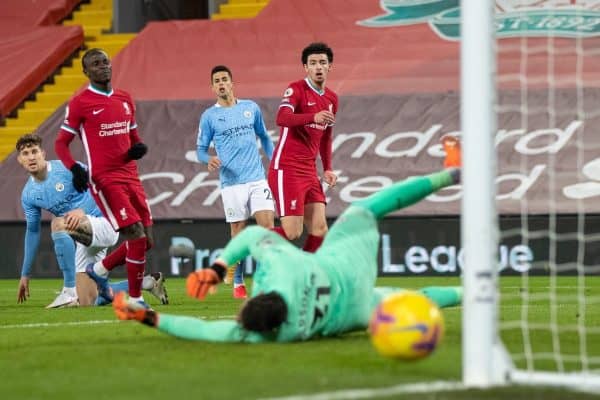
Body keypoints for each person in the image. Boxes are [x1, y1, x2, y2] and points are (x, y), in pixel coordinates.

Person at [112, 139, 463, 342]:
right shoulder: (283, 266)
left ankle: (471, 293)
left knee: (409, 301)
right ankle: (449, 175)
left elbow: (200, 331)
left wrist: (147, 318)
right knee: (365, 210)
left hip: (355, 310)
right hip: (344, 264)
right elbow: (252, 234)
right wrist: (218, 268)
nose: (236, 317)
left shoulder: (275, 334)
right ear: (263, 294)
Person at [15, 134, 168, 307]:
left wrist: (82, 210)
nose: (31, 157)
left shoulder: (66, 169)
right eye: (25, 153)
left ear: (43, 153)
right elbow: (33, 232)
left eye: (34, 151)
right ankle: (147, 283)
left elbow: (101, 182)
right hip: (83, 234)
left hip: (104, 220)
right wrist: (25, 274)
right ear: (20, 160)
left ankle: (68, 290)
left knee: (58, 223)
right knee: (88, 301)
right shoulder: (29, 194)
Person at [55, 48, 154, 307]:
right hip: (105, 179)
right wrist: (75, 169)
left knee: (147, 241)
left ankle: (99, 270)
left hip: (131, 176)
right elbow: (61, 144)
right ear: (86, 71)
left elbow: (133, 137)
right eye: (96, 64)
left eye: (105, 62)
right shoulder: (80, 103)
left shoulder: (124, 98)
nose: (103, 66)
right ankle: (135, 299)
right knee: (135, 234)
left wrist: (138, 147)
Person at [196, 65, 275, 299]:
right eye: (217, 81)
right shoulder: (209, 116)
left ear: (232, 83)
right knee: (238, 234)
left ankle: (262, 281)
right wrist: (208, 159)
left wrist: (275, 160)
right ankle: (238, 282)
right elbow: (200, 150)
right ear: (212, 88)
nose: (221, 83)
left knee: (267, 229)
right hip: (232, 183)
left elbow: (264, 136)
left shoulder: (251, 108)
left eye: (224, 79)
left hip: (257, 178)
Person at [267, 42, 339, 253]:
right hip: (287, 168)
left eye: (322, 63)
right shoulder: (296, 89)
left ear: (330, 67)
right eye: (313, 63)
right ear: (305, 67)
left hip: (309, 171)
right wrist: (312, 117)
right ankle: (245, 243)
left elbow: (326, 136)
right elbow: (282, 118)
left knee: (320, 228)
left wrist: (327, 168)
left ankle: (307, 277)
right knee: (292, 232)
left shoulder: (332, 99)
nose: (318, 67)